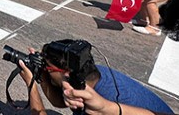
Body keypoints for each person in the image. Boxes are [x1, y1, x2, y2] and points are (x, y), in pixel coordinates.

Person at [17, 39, 173, 115]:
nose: (46, 71)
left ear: (66, 73)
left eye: (48, 68)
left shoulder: (98, 107)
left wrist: (31, 85)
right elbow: (60, 102)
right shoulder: (93, 75)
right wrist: (42, 74)